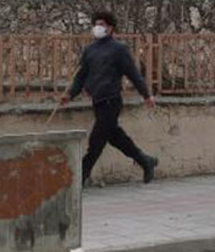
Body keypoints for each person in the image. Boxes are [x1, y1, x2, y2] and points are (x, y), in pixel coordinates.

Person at [60, 11, 159, 185]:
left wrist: (146, 95)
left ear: (111, 28)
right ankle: (145, 161)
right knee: (115, 137)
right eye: (96, 24)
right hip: (97, 101)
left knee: (96, 139)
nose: (98, 27)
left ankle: (81, 174)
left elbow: (133, 73)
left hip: (111, 100)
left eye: (102, 24)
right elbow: (81, 75)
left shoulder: (119, 49)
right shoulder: (89, 50)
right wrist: (70, 94)